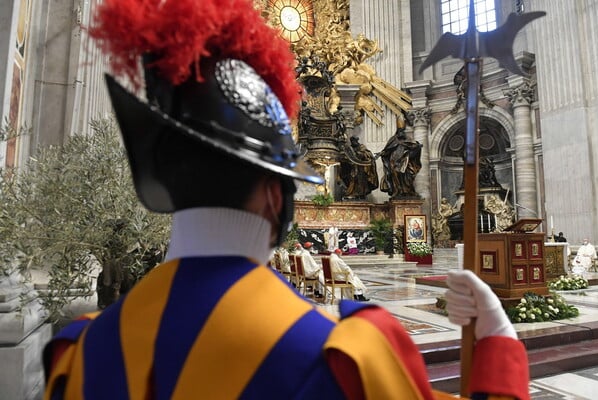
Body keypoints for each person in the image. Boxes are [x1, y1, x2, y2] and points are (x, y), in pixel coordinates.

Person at [43, 1, 530, 398]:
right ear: (278, 198)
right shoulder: (347, 358)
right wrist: (498, 343)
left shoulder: (78, 356)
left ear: (162, 183)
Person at [377, 116, 423, 198]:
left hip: (405, 160)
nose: (401, 133)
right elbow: (387, 149)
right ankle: (398, 191)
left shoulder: (408, 140)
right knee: (396, 175)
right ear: (397, 132)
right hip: (394, 161)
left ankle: (407, 191)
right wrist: (383, 153)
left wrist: (417, 147)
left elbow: (413, 147)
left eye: (402, 131)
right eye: (400, 131)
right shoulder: (393, 140)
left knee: (407, 176)